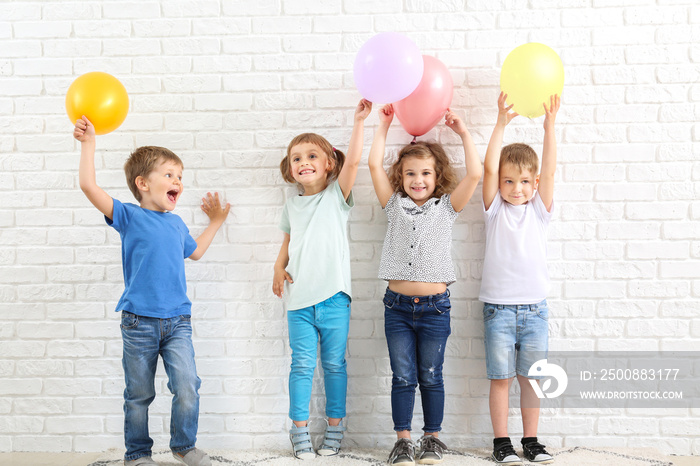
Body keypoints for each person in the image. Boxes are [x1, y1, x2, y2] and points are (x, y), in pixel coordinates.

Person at [74, 116, 230, 466]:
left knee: (187, 385)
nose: (178, 182)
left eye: (180, 177)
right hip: (138, 322)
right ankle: (138, 454)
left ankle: (183, 446)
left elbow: (196, 251)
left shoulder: (176, 224)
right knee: (139, 394)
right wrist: (88, 145)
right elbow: (88, 186)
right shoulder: (128, 216)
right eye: (169, 175)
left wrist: (216, 222)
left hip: (178, 321)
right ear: (142, 183)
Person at [368, 105, 482, 465]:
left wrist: (463, 133)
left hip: (434, 309)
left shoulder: (446, 208)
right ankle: (403, 440)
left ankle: (432, 438)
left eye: (426, 174)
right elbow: (373, 165)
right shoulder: (393, 206)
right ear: (400, 177)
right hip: (397, 308)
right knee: (403, 377)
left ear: (437, 177)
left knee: (431, 376)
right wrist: (383, 126)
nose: (418, 180)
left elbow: (476, 174)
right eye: (410, 174)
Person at [272, 99, 372, 460]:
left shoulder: (336, 197)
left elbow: (356, 162)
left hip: (334, 299)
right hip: (298, 300)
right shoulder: (291, 204)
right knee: (301, 364)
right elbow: (287, 242)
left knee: (333, 365)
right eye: (296, 158)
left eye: (311, 156)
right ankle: (298, 431)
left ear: (328, 164)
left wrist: (359, 121)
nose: (303, 163)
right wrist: (276, 267)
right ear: (290, 168)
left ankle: (335, 428)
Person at [480, 92, 560, 465]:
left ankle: (531, 440)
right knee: (501, 379)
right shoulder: (494, 209)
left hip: (535, 311)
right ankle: (501, 443)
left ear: (534, 182)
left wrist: (549, 128)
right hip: (499, 311)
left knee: (532, 380)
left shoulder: (539, 211)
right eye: (509, 182)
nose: (516, 189)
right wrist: (499, 123)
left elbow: (551, 168)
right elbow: (490, 168)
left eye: (524, 182)